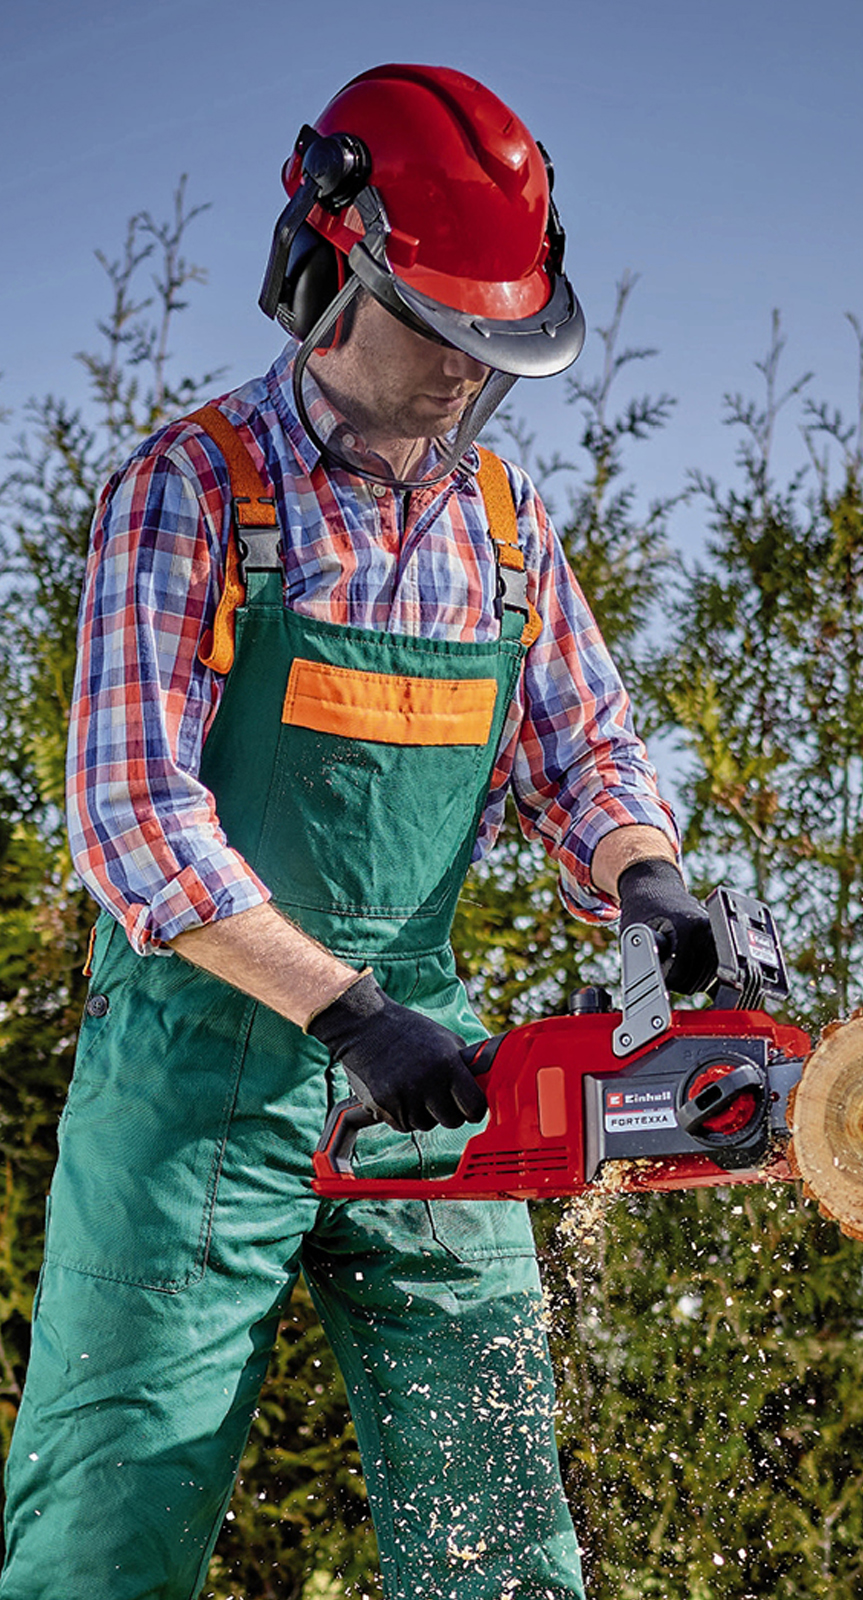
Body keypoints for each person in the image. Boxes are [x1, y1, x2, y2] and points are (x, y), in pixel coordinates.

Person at [0, 63, 714, 1600]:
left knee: (503, 1535)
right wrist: (342, 1009)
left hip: (432, 1074)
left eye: (497, 341)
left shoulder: (505, 523)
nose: (470, 369)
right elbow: (133, 813)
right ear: (323, 275)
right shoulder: (192, 493)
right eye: (440, 327)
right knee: (111, 1528)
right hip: (204, 1077)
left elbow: (581, 745)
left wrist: (644, 874)